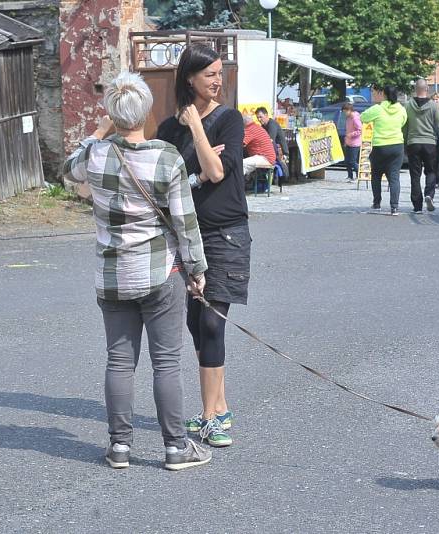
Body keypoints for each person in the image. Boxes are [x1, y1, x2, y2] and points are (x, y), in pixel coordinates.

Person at [63, 72, 211, 471]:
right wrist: (196, 270)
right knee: (165, 363)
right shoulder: (166, 157)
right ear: (147, 111)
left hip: (112, 276)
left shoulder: (95, 155)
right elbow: (185, 221)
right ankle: (176, 448)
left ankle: (119, 447)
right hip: (161, 272)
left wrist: (102, 128)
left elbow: (68, 168)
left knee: (119, 360)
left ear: (112, 112)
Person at [156, 44, 252, 449]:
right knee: (197, 325)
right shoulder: (165, 131)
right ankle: (219, 406)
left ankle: (211, 416)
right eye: (209, 74)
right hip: (185, 234)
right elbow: (166, 186)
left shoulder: (230, 120)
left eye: (219, 73)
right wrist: (191, 157)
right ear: (189, 79)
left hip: (226, 231)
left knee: (213, 321)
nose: (217, 80)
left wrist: (197, 127)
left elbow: (215, 172)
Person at [360, 85, 407, 215]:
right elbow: (403, 122)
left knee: (376, 174)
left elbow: (363, 117)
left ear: (384, 95)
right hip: (397, 145)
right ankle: (394, 207)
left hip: (380, 146)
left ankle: (377, 203)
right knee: (394, 177)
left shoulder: (378, 109)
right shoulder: (401, 110)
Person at [404, 80, 439, 212]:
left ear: (414, 89)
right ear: (427, 89)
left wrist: (405, 141)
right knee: (431, 171)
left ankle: (417, 206)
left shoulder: (407, 105)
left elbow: (404, 126)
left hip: (413, 143)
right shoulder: (434, 106)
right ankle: (429, 194)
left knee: (415, 175)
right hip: (430, 143)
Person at [342, 102, 362, 182]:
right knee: (347, 161)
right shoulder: (348, 118)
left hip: (355, 143)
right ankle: (350, 176)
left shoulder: (355, 118)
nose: (344, 113)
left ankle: (359, 175)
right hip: (348, 142)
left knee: (352, 161)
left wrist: (351, 134)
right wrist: (346, 140)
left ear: (349, 110)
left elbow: (360, 130)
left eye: (345, 111)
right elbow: (347, 130)